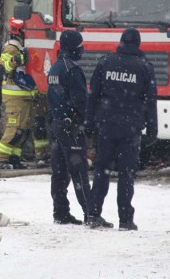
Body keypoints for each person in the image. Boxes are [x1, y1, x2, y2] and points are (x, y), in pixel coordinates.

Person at [84, 28, 158, 231]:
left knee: (102, 171)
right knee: (126, 174)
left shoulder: (105, 62)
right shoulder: (144, 67)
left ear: (121, 42)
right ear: (138, 44)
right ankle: (125, 219)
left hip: (106, 127)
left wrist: (89, 122)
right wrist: (153, 129)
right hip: (130, 129)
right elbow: (150, 101)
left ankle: (93, 214)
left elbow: (93, 95)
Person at [47, 30, 112, 226]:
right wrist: (89, 122)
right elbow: (81, 101)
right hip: (71, 128)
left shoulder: (55, 68)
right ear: (74, 48)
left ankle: (60, 213)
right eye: (80, 46)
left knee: (59, 172)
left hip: (57, 126)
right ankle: (90, 214)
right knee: (79, 171)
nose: (82, 50)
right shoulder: (72, 70)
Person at [0, 17, 39, 169]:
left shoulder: (25, 46)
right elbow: (3, 67)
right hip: (15, 97)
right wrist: (16, 60)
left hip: (25, 95)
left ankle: (14, 158)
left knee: (22, 130)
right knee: (13, 129)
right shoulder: (12, 47)